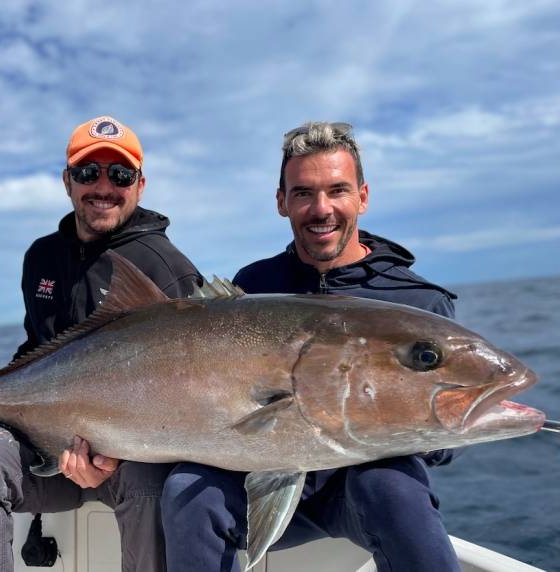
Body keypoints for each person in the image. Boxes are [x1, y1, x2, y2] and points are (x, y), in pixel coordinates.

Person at [161, 121, 461, 571]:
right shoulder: (254, 288)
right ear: (282, 202)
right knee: (185, 488)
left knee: (393, 486)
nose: (321, 208)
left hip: (358, 493)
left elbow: (447, 433)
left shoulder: (416, 302)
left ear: (363, 196)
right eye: (303, 193)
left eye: (337, 190)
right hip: (262, 480)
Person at [0, 115, 201, 572]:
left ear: (140, 184)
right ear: (67, 181)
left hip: (132, 462)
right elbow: (35, 351)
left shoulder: (166, 268)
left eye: (119, 175)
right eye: (86, 172)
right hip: (46, 447)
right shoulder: (41, 257)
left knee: (153, 483)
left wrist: (109, 455)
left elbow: (195, 398)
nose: (103, 186)